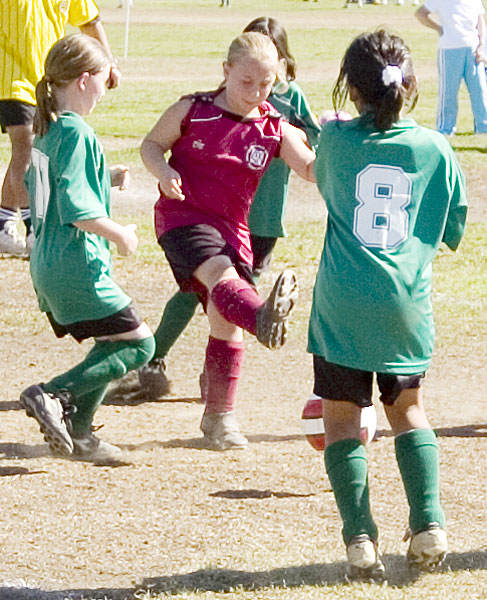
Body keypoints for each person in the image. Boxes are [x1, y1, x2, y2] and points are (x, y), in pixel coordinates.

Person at [309, 29, 467, 580]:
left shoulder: (335, 142)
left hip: (341, 302)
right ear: (411, 84)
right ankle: (429, 522)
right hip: (405, 304)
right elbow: (453, 229)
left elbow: (328, 181)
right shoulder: (435, 148)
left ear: (351, 90)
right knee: (408, 411)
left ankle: (360, 539)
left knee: (340, 419)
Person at [140, 32, 315, 450]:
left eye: (266, 84)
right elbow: (151, 145)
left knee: (225, 320)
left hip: (234, 231)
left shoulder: (274, 127)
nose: (255, 92)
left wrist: (344, 147)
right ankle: (262, 318)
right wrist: (164, 173)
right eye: (246, 82)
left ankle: (219, 418)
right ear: (226, 71)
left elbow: (311, 169)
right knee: (222, 278)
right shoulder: (193, 110)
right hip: (183, 217)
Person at [19, 34, 155, 464]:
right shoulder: (77, 131)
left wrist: (104, 176)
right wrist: (121, 236)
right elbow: (77, 211)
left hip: (47, 262)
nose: (104, 90)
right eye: (103, 80)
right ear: (83, 79)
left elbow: (46, 189)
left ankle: (80, 434)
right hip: (77, 263)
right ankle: (53, 394)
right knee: (139, 344)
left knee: (111, 339)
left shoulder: (48, 129)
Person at [0, 0, 121, 256]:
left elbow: (89, 20)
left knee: (30, 151)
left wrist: (108, 64)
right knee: (26, 148)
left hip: (49, 81)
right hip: (11, 79)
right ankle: (35, 230)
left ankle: (3, 225)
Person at [415, 0, 487, 135]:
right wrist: (438, 28)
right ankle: (446, 128)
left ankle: (483, 127)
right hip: (449, 49)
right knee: (449, 92)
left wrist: (481, 45)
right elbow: (420, 13)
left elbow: (480, 21)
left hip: (473, 49)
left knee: (480, 90)